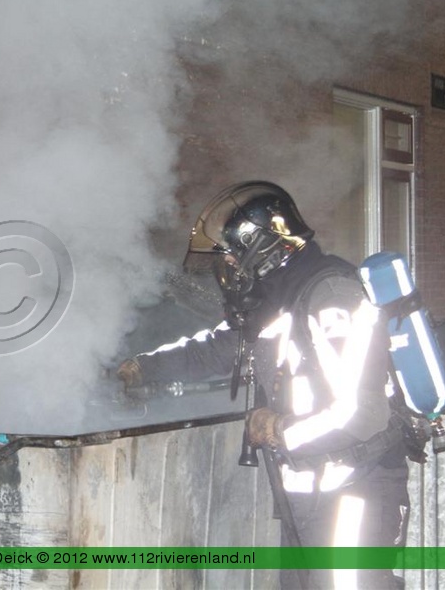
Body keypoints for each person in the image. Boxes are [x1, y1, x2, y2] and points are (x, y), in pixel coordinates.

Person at [117, 181, 412, 589]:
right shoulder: (277, 305)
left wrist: (279, 429)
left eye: (234, 256)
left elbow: (361, 413)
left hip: (356, 490)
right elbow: (211, 352)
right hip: (310, 495)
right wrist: (140, 368)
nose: (230, 269)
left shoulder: (332, 299)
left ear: (265, 249)